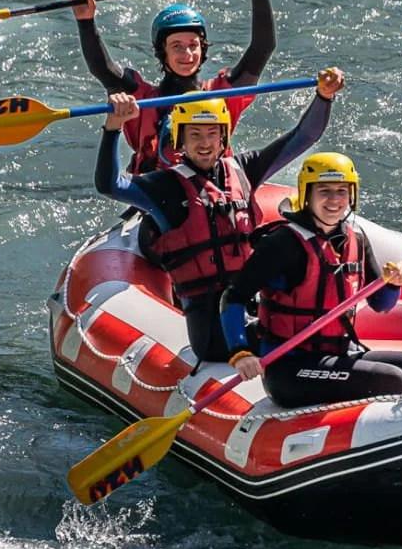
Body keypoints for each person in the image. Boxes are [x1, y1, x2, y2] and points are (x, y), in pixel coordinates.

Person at [96, 68, 346, 366]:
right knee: (309, 343)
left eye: (212, 134)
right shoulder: (164, 187)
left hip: (253, 311)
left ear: (223, 136)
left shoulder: (243, 170)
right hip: (212, 333)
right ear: (180, 138)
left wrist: (323, 97)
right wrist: (113, 128)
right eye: (195, 134)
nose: (205, 143)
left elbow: (304, 136)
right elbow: (110, 185)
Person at [221, 154, 402, 408]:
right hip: (288, 367)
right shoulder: (282, 244)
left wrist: (393, 285)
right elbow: (233, 296)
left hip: (340, 353)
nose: (334, 199)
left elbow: (381, 305)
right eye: (324, 191)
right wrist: (240, 353)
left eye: (342, 191)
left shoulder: (356, 239)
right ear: (307, 193)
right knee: (393, 381)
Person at [61, 0, 275, 174]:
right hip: (157, 190)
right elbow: (103, 69)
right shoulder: (141, 98)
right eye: (177, 46)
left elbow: (262, 48)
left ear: (203, 49)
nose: (187, 54)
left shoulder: (223, 93)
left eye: (193, 45)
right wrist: (85, 20)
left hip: (214, 190)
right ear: (163, 52)